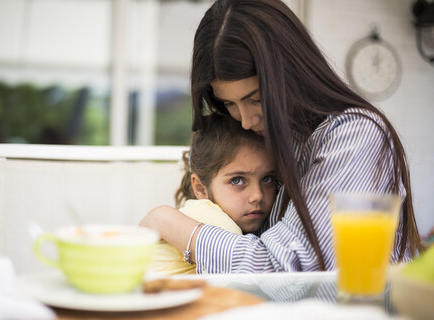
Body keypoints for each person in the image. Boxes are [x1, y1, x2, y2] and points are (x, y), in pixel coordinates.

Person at [141, 0, 423, 273]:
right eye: (230, 104)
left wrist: (167, 221)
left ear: (292, 73)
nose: (247, 121)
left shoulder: (355, 136)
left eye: (257, 99)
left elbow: (285, 270)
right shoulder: (273, 136)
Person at [149, 113, 276, 275]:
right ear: (201, 188)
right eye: (237, 180)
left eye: (267, 179)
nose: (257, 195)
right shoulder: (216, 221)